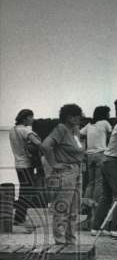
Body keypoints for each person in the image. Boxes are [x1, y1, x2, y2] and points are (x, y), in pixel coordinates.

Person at [40, 104, 87, 244]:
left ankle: (71, 239)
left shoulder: (75, 130)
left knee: (74, 208)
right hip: (65, 172)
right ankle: (59, 240)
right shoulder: (61, 129)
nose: (79, 118)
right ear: (69, 117)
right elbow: (45, 145)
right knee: (62, 207)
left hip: (77, 170)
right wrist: (54, 163)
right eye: (76, 116)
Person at [96, 100, 117, 237]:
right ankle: (115, 228)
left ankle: (96, 226)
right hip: (113, 161)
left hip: (106, 159)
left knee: (106, 196)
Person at [9, 109, 45, 225]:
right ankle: (19, 219)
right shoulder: (25, 130)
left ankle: (19, 218)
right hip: (26, 164)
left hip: (18, 164)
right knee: (27, 192)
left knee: (24, 191)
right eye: (31, 117)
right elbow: (38, 143)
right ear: (25, 118)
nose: (32, 119)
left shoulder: (12, 130)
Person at [80, 105, 112, 234]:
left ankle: (87, 207)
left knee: (90, 183)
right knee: (100, 183)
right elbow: (112, 136)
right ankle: (97, 208)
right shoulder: (105, 123)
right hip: (101, 154)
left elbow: (80, 134)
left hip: (89, 155)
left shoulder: (89, 125)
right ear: (104, 114)